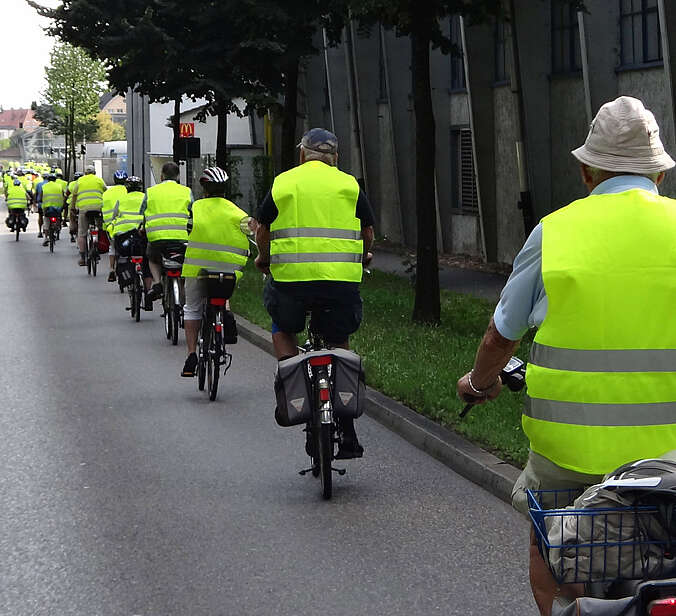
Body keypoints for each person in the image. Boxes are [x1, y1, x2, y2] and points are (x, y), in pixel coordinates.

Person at [456, 96, 676, 616]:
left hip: (568, 454)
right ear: (658, 175)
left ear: (586, 171)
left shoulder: (553, 233)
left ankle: (569, 610)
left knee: (551, 543)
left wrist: (479, 383)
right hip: (669, 457)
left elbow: (499, 337)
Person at [254, 128, 375, 460]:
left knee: (282, 326)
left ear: (303, 153)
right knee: (339, 341)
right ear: (335, 158)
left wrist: (264, 259)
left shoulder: (284, 182)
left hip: (291, 283)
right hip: (339, 284)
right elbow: (367, 231)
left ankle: (294, 392)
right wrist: (364, 256)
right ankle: (347, 429)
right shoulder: (350, 185)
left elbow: (262, 229)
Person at [180, 167, 249, 377]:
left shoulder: (196, 208)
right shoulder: (238, 213)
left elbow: (189, 229)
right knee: (223, 293)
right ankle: (225, 314)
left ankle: (192, 355)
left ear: (205, 189)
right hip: (229, 271)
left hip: (197, 270)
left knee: (192, 308)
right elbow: (250, 231)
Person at [141, 161, 193, 303]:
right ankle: (183, 299)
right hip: (181, 239)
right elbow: (193, 212)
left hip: (157, 239)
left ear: (162, 175)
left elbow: (143, 212)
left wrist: (142, 228)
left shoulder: (151, 192)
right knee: (183, 264)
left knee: (152, 258)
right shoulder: (186, 191)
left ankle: (157, 282)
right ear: (178, 176)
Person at [72, 165, 107, 266]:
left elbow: (74, 195)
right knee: (101, 228)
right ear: (94, 173)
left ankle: (83, 257)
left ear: (85, 173)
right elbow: (105, 191)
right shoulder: (99, 180)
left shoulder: (80, 181)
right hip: (98, 208)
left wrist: (73, 208)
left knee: (82, 233)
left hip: (84, 209)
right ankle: (99, 245)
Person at [103, 170, 128, 282]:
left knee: (112, 246)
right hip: (128, 225)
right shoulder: (129, 191)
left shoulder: (107, 192)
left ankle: (112, 269)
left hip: (111, 225)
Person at [40, 173, 65, 246]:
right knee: (58, 217)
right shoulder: (59, 186)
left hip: (47, 207)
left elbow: (41, 196)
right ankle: (57, 227)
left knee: (46, 220)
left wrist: (41, 201)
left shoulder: (44, 186)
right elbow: (63, 196)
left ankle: (46, 237)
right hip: (57, 207)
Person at [66, 171, 83, 243]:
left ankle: (72, 235)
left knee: (72, 220)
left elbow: (67, 193)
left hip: (72, 205)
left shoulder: (71, 184)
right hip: (82, 204)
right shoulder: (83, 183)